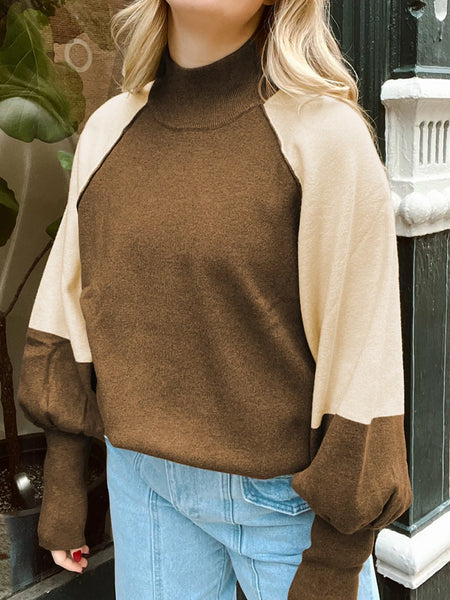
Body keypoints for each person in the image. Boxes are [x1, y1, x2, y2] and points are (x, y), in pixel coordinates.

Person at [16, 0, 413, 599]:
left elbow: (363, 356)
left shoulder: (326, 136)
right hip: (142, 482)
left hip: (285, 505)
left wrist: (335, 564)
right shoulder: (108, 130)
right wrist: (66, 482)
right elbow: (64, 306)